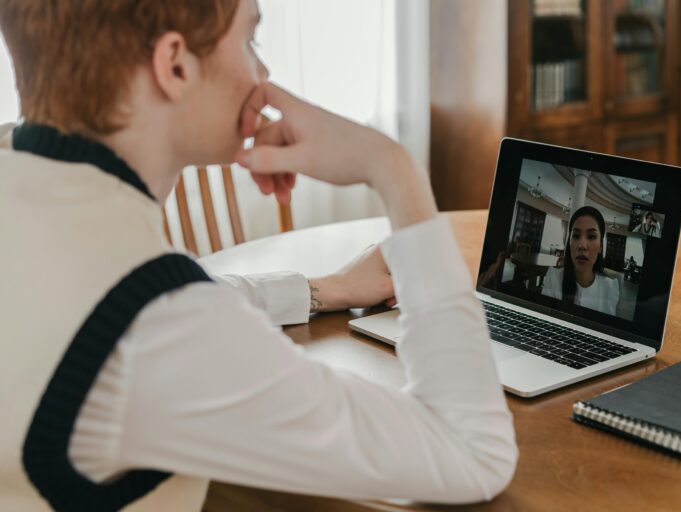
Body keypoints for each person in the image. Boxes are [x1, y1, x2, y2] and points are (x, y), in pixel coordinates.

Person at [0, 1, 516, 510]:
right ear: (175, 65)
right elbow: (473, 452)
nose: (264, 72)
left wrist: (323, 290)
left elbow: (130, 302)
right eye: (252, 40)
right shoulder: (151, 326)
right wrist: (392, 168)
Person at [541, 207, 620, 316]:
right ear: (569, 243)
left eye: (591, 236)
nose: (582, 245)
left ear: (601, 246)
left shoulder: (610, 288)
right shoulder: (553, 278)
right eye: (576, 236)